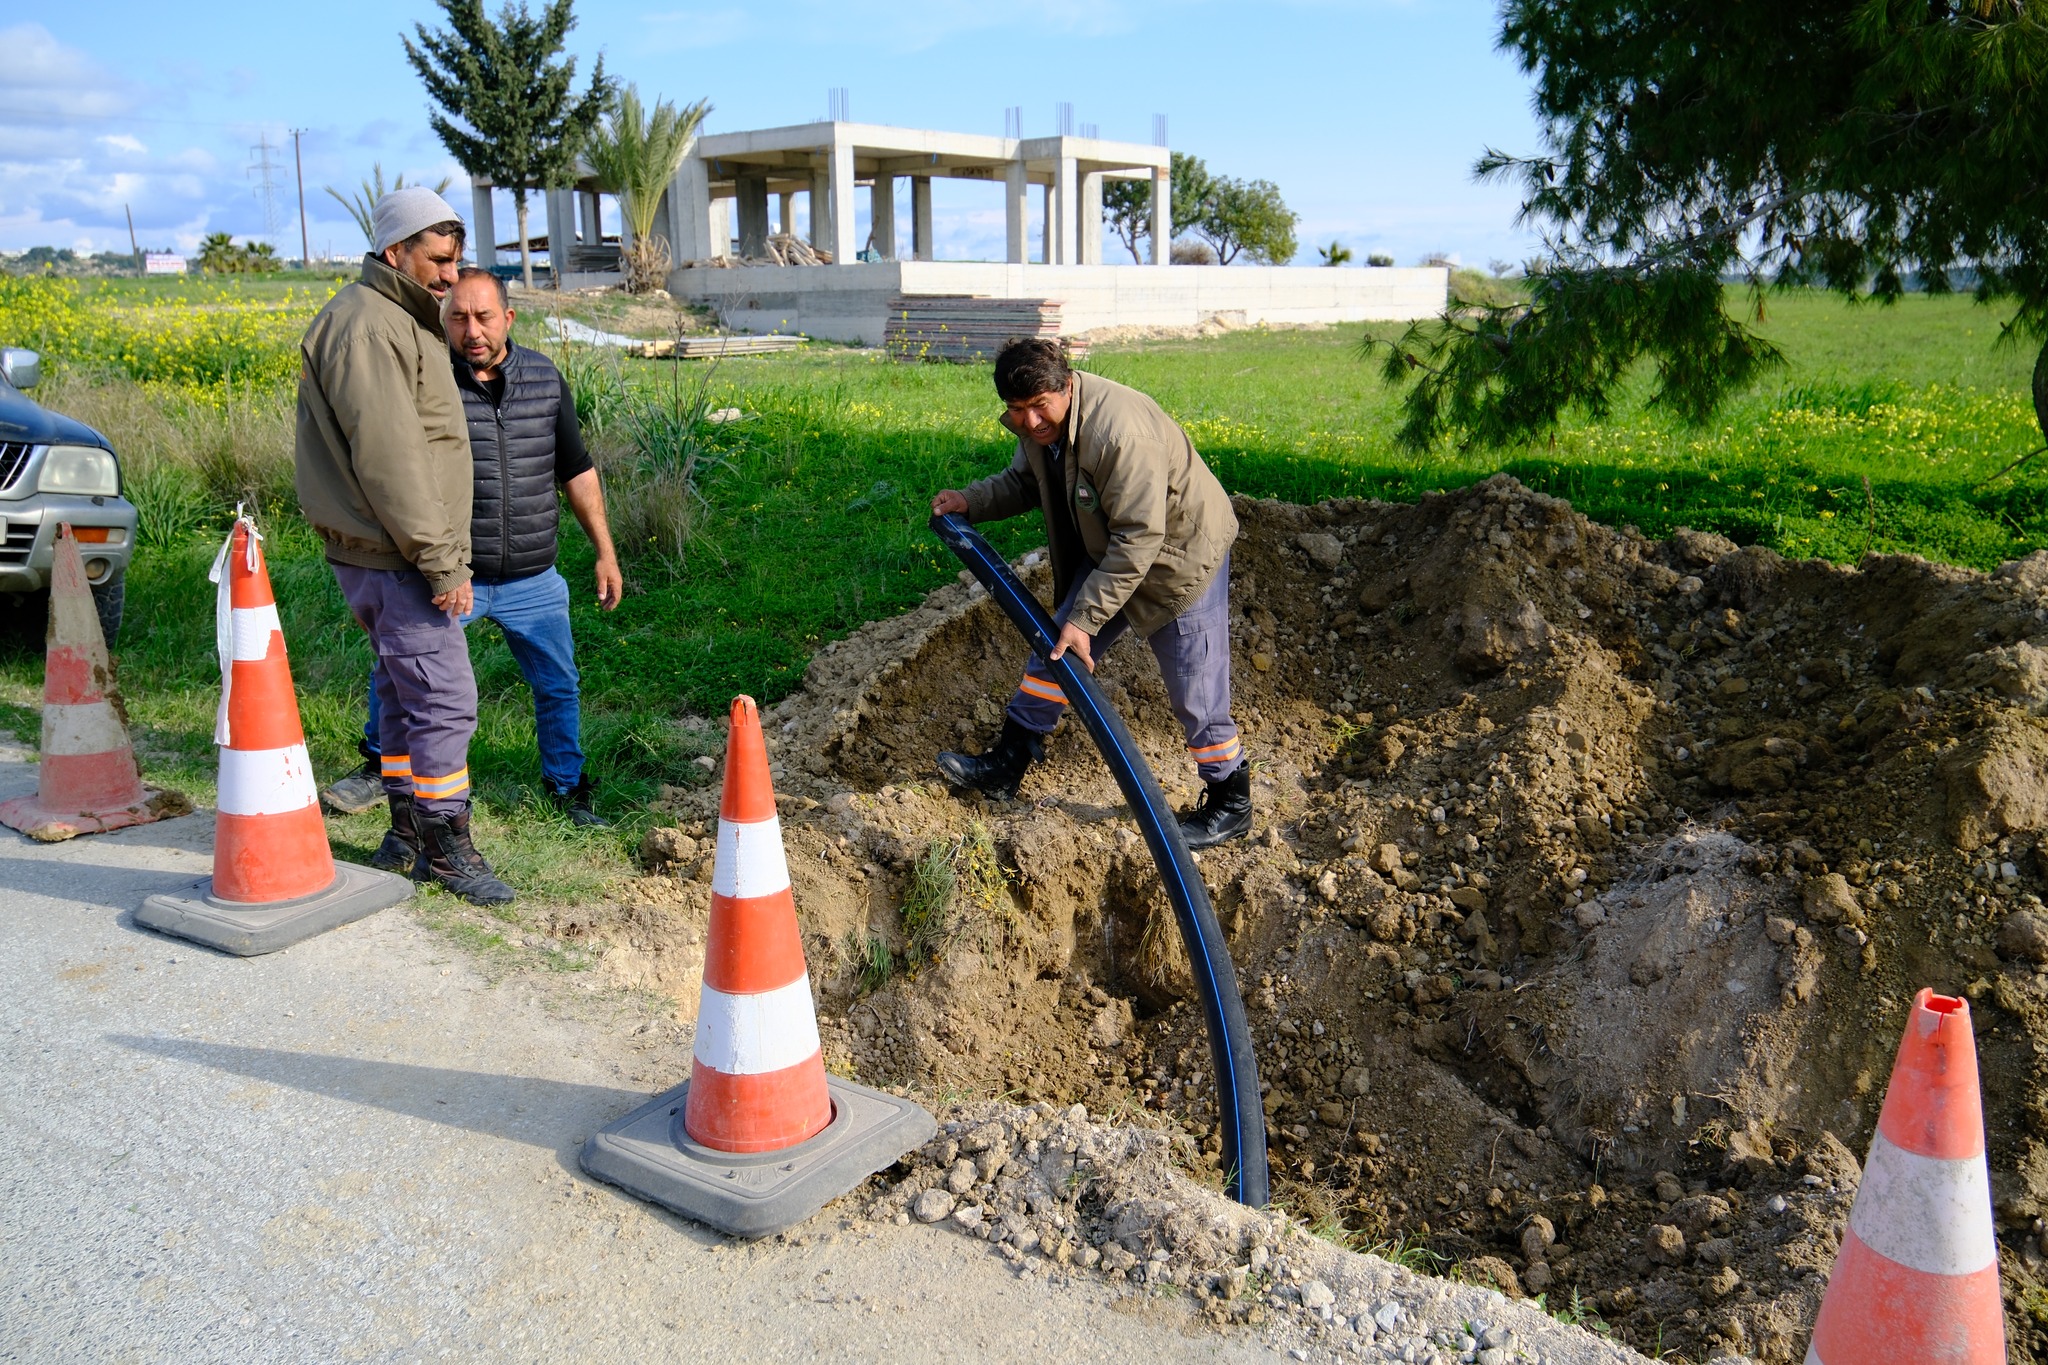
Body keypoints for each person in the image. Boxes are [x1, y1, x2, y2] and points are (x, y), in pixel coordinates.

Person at [320, 267, 622, 830]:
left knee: (559, 685)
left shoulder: (545, 378)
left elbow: (577, 471)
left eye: (483, 316)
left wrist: (604, 551)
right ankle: (378, 768)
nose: (471, 330)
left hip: (535, 578)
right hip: (453, 577)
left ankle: (566, 788)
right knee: (402, 672)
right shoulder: (428, 379)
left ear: (508, 318)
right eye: (457, 317)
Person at [930, 337, 1254, 848]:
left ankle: (1230, 802)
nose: (1031, 422)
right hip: (1116, 543)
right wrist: (969, 500)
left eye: (1039, 407)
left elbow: (1142, 537)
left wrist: (1086, 616)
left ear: (1066, 384)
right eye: (1017, 411)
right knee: (1055, 649)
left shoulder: (1119, 432)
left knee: (1196, 690)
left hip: (1179, 551)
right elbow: (1026, 483)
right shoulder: (1042, 426)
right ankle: (1010, 759)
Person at [295, 187, 514, 906]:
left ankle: (405, 835)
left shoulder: (385, 316)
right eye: (439, 260)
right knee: (446, 699)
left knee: (398, 691)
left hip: (384, 553)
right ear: (396, 253)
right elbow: (392, 460)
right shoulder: (371, 327)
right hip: (400, 557)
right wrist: (443, 562)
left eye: (456, 261)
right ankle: (447, 850)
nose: (452, 277)